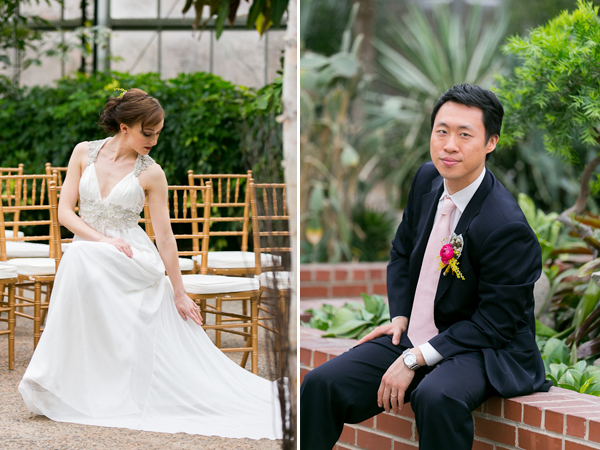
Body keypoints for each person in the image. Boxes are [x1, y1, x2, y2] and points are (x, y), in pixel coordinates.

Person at [18, 88, 282, 440]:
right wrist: (103, 240)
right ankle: (59, 380)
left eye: (158, 133)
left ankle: (57, 375)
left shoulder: (152, 173)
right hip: (93, 248)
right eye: (148, 132)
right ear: (124, 126)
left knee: (77, 257)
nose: (154, 141)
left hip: (131, 257)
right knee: (78, 255)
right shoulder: (84, 151)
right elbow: (65, 212)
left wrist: (179, 292)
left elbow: (165, 236)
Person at [300, 84, 552, 450]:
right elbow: (402, 252)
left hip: (486, 349)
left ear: (491, 142)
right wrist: (401, 315)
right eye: (442, 131)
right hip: (419, 332)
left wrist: (416, 358)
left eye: (465, 135)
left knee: (435, 396)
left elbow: (495, 325)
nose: (450, 145)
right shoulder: (426, 180)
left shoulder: (505, 226)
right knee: (320, 384)